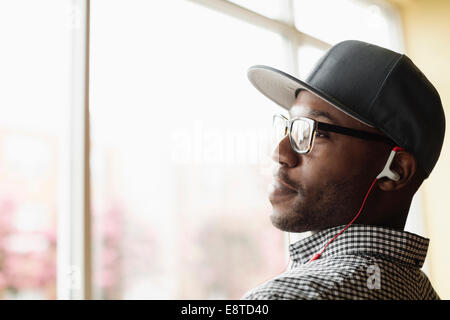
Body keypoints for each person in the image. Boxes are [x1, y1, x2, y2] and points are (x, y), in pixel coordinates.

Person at [242, 40, 445, 300]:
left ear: (395, 170)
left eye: (315, 132)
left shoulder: (284, 297)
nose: (280, 153)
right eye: (291, 127)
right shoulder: (421, 291)